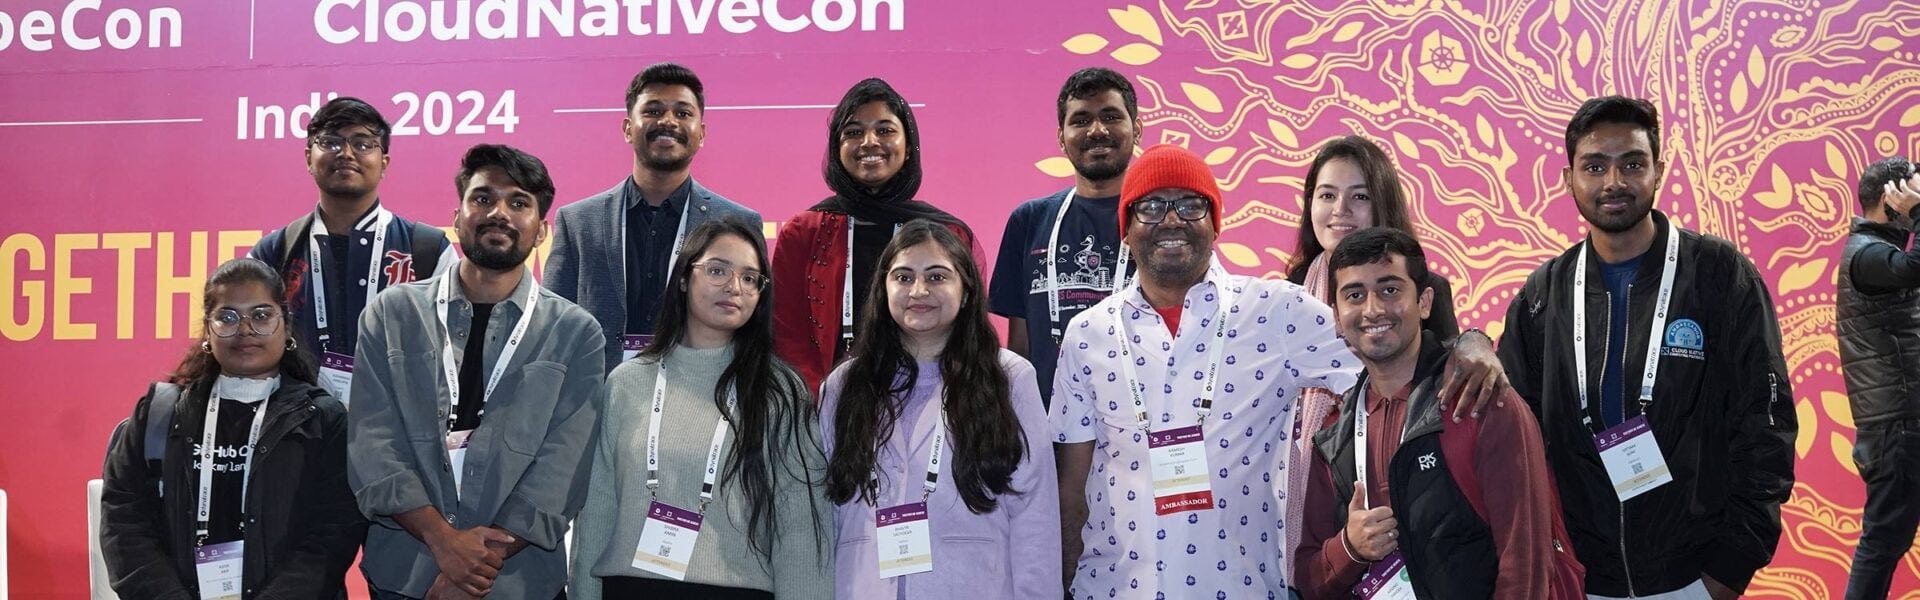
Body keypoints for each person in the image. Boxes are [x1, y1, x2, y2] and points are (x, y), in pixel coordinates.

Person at [1051, 144, 1506, 599]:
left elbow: (1391, 348)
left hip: (1242, 585)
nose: (1171, 220)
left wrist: (1473, 342)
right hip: (1114, 588)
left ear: (1215, 224)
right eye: (1149, 207)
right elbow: (1072, 488)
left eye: (1192, 204)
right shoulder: (1087, 335)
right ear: (1125, 230)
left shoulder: (1275, 311)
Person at [1497, 96, 1796, 600]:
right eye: (1595, 166)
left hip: (1695, 575)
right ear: (1568, 178)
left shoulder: (1719, 275)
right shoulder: (1542, 295)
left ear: (1658, 170)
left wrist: (1730, 568)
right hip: (1583, 576)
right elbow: (1514, 439)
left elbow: (1766, 426)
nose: (1614, 182)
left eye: (1632, 164)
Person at [348, 144, 605, 600]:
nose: (499, 213)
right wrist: (443, 543)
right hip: (406, 574)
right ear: (458, 215)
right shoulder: (391, 314)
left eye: (519, 202)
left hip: (518, 582)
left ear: (542, 229)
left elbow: (562, 471)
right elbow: (373, 443)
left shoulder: (575, 333)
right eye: (483, 198)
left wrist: (473, 566)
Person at [1294, 228, 1565, 599]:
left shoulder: (1481, 402)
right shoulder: (1333, 437)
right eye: (1354, 295)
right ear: (1338, 318)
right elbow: (1308, 579)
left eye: (1390, 290)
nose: (1372, 309)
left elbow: (1526, 566)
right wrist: (1349, 549)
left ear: (1423, 302)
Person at [570, 218, 833, 599]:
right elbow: (597, 511)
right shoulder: (627, 382)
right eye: (717, 270)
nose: (733, 287)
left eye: (750, 278)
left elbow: (801, 528)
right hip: (630, 587)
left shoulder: (779, 390)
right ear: (683, 279)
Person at [101, 257, 366, 599]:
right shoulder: (159, 414)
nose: (244, 329)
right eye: (227, 317)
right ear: (207, 331)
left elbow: (333, 534)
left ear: (285, 326)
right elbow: (125, 524)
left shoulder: (323, 419)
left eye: (261, 315)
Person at [821, 219, 1060, 599]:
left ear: (965, 291)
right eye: (902, 277)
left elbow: (1035, 513)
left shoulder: (1010, 378)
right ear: (883, 290)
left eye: (936, 277)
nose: (918, 290)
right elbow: (828, 509)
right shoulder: (844, 385)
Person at [1280, 134, 1466, 572]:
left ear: (1381, 204)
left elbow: (1445, 375)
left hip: (1398, 501)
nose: (1340, 210)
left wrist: (1473, 342)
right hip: (1301, 500)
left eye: (1358, 196)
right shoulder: (1286, 297)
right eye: (1327, 195)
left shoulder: (1425, 290)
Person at [772, 77, 982, 394]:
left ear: (909, 146)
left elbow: (967, 333)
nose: (869, 141)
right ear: (836, 148)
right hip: (822, 407)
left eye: (884, 130)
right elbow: (786, 335)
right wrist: (822, 404)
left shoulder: (947, 234)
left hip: (929, 400)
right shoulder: (803, 232)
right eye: (854, 132)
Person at [545, 63, 760, 371]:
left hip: (699, 394)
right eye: (653, 111)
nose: (668, 121)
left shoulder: (738, 222)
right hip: (595, 395)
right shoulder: (578, 222)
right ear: (628, 128)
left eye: (683, 114)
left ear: (702, 134)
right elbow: (551, 323)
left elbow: (752, 331)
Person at [249, 97, 456, 404]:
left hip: (400, 430)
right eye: (331, 142)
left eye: (363, 143)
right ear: (309, 157)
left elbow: (454, 352)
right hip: (295, 429)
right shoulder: (274, 252)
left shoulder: (427, 250)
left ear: (384, 162)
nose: (346, 153)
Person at [990, 67, 1141, 409]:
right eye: (1081, 120)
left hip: (1139, 417)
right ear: (1061, 137)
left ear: (1136, 128)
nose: (1097, 130)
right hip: (1049, 421)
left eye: (1111, 116)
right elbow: (1020, 344)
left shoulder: (1160, 220)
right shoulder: (1028, 220)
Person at [1837, 157, 1920, 600]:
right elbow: (1914, 269)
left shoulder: (1877, 251)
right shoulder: (1868, 255)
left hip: (1903, 422)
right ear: (1894, 199)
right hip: (1896, 427)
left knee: (1886, 541)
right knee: (1883, 542)